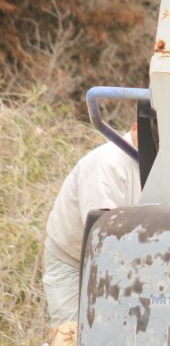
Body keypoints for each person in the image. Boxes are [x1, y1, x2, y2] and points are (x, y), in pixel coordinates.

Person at [43, 127, 141, 325]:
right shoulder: (107, 164)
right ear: (136, 126)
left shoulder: (156, 162)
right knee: (70, 335)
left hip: (120, 263)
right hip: (72, 260)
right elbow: (102, 233)